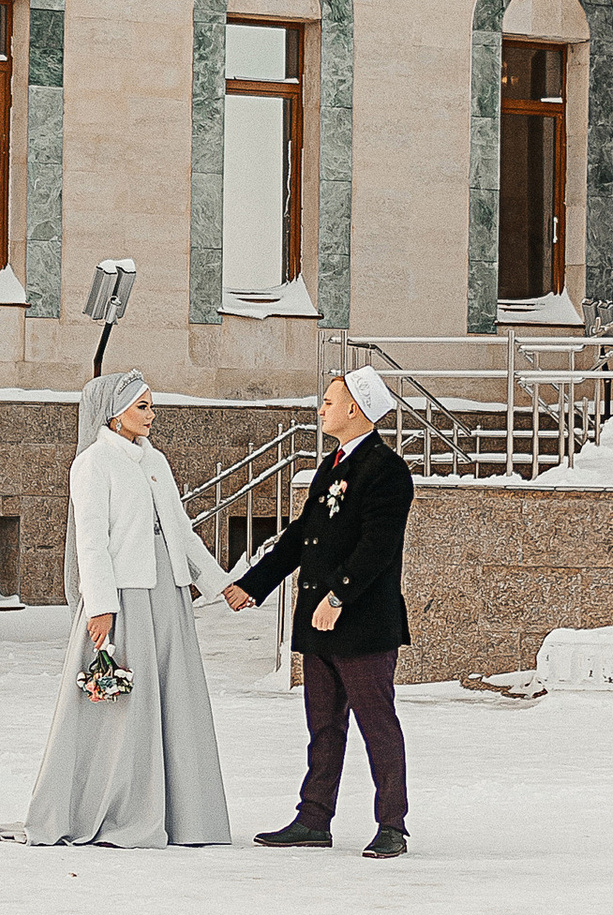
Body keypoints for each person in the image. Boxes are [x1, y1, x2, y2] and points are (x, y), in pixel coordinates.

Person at [21, 373, 233, 848]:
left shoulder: (155, 461)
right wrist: (100, 606)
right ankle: (116, 808)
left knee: (174, 701)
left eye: (151, 406)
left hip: (168, 596)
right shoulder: (93, 464)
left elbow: (181, 530)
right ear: (116, 412)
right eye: (142, 407)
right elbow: (91, 542)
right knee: (123, 707)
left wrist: (219, 583)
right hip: (124, 597)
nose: (152, 415)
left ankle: (183, 816)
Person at [224, 362, 415, 856]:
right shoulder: (330, 466)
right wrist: (254, 583)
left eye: (329, 402)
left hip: (362, 624)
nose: (322, 409)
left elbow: (377, 547)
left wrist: (337, 596)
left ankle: (392, 824)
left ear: (355, 408)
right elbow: (299, 540)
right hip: (320, 624)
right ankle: (314, 819)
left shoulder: (386, 471)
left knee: (378, 724)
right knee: (323, 727)